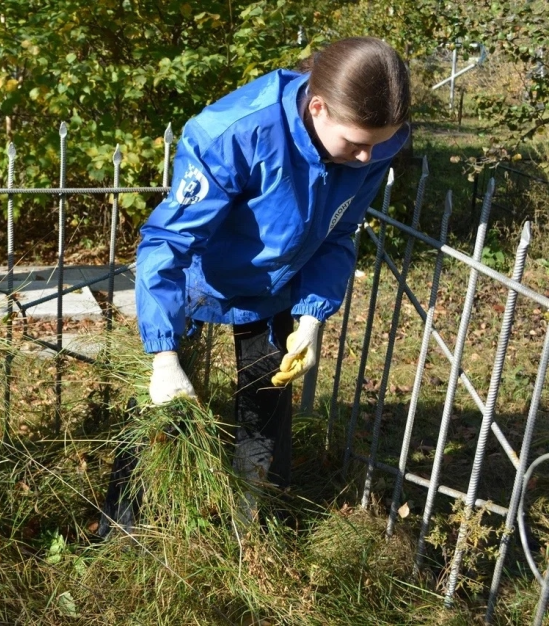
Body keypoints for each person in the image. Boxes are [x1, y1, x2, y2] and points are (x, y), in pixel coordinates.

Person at [135, 37, 411, 494]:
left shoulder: (373, 144)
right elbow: (169, 242)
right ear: (318, 107)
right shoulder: (234, 133)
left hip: (273, 290)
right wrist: (163, 355)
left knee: (264, 414)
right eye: (356, 144)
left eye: (376, 146)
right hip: (197, 278)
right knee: (162, 410)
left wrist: (311, 316)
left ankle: (256, 520)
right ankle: (128, 519)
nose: (366, 158)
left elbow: (337, 233)